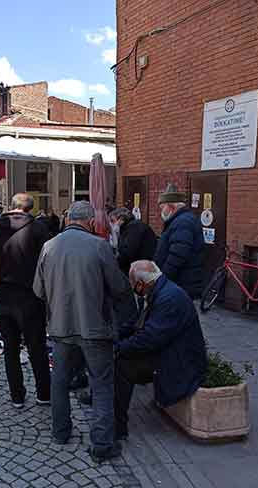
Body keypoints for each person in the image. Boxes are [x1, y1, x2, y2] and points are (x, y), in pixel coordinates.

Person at [33, 201, 130, 463]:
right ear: (89, 221)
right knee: (101, 384)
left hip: (61, 327)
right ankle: (101, 444)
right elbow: (120, 288)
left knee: (60, 381)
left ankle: (60, 432)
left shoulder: (49, 247)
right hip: (95, 328)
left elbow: (38, 291)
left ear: (68, 220)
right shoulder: (99, 246)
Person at [114, 261, 207, 440]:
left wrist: (119, 348)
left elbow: (150, 338)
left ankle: (118, 428)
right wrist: (117, 336)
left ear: (142, 284)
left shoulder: (169, 298)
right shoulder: (159, 290)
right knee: (122, 356)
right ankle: (113, 418)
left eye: (133, 284)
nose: (133, 288)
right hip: (168, 350)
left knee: (122, 366)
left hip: (179, 361)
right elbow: (137, 325)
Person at [0, 193, 51, 409]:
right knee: (37, 347)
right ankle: (44, 393)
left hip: (4, 294)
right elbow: (47, 264)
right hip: (30, 295)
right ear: (30, 209)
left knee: (11, 348)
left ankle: (17, 396)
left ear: (12, 206)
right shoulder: (38, 229)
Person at [153, 184, 204, 299]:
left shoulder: (182, 222)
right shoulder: (181, 220)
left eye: (162, 208)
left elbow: (177, 255)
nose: (161, 212)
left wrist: (163, 279)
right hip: (182, 282)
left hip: (181, 283)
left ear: (171, 207)